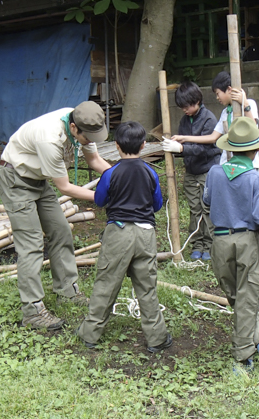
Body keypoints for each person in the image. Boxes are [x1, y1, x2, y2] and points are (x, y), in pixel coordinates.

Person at [0, 101, 112, 330]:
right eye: (88, 138)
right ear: (75, 128)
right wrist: (104, 197)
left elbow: (95, 160)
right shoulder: (50, 138)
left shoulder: (83, 121)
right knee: (31, 244)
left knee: (60, 231)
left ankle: (67, 291)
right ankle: (32, 311)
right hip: (15, 179)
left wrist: (120, 178)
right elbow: (65, 188)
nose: (91, 142)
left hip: (37, 179)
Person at [203, 116, 259, 378]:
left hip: (220, 241)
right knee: (247, 297)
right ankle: (243, 357)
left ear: (229, 148)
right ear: (256, 149)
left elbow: (206, 203)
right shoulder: (257, 180)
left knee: (238, 297)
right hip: (248, 240)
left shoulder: (215, 173)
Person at [77, 121, 172, 353]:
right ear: (143, 145)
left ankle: (90, 334)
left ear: (117, 146)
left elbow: (99, 201)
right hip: (146, 234)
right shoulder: (151, 172)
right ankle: (157, 338)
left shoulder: (111, 173)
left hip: (118, 232)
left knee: (106, 283)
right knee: (147, 286)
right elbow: (157, 204)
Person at [161, 81, 221, 261]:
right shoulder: (184, 120)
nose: (184, 110)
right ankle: (197, 244)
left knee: (207, 208)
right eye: (182, 107)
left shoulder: (209, 119)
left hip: (207, 170)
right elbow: (184, 144)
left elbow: (206, 148)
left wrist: (181, 149)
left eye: (187, 106)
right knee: (194, 209)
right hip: (191, 171)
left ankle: (210, 245)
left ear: (196, 101)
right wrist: (175, 147)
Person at [170, 71, 259, 169]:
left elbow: (253, 129)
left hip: (248, 164)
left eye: (218, 93)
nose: (217, 98)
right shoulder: (225, 112)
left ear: (229, 89)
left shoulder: (249, 104)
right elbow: (213, 137)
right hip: (228, 163)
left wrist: (245, 104)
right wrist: (184, 138)